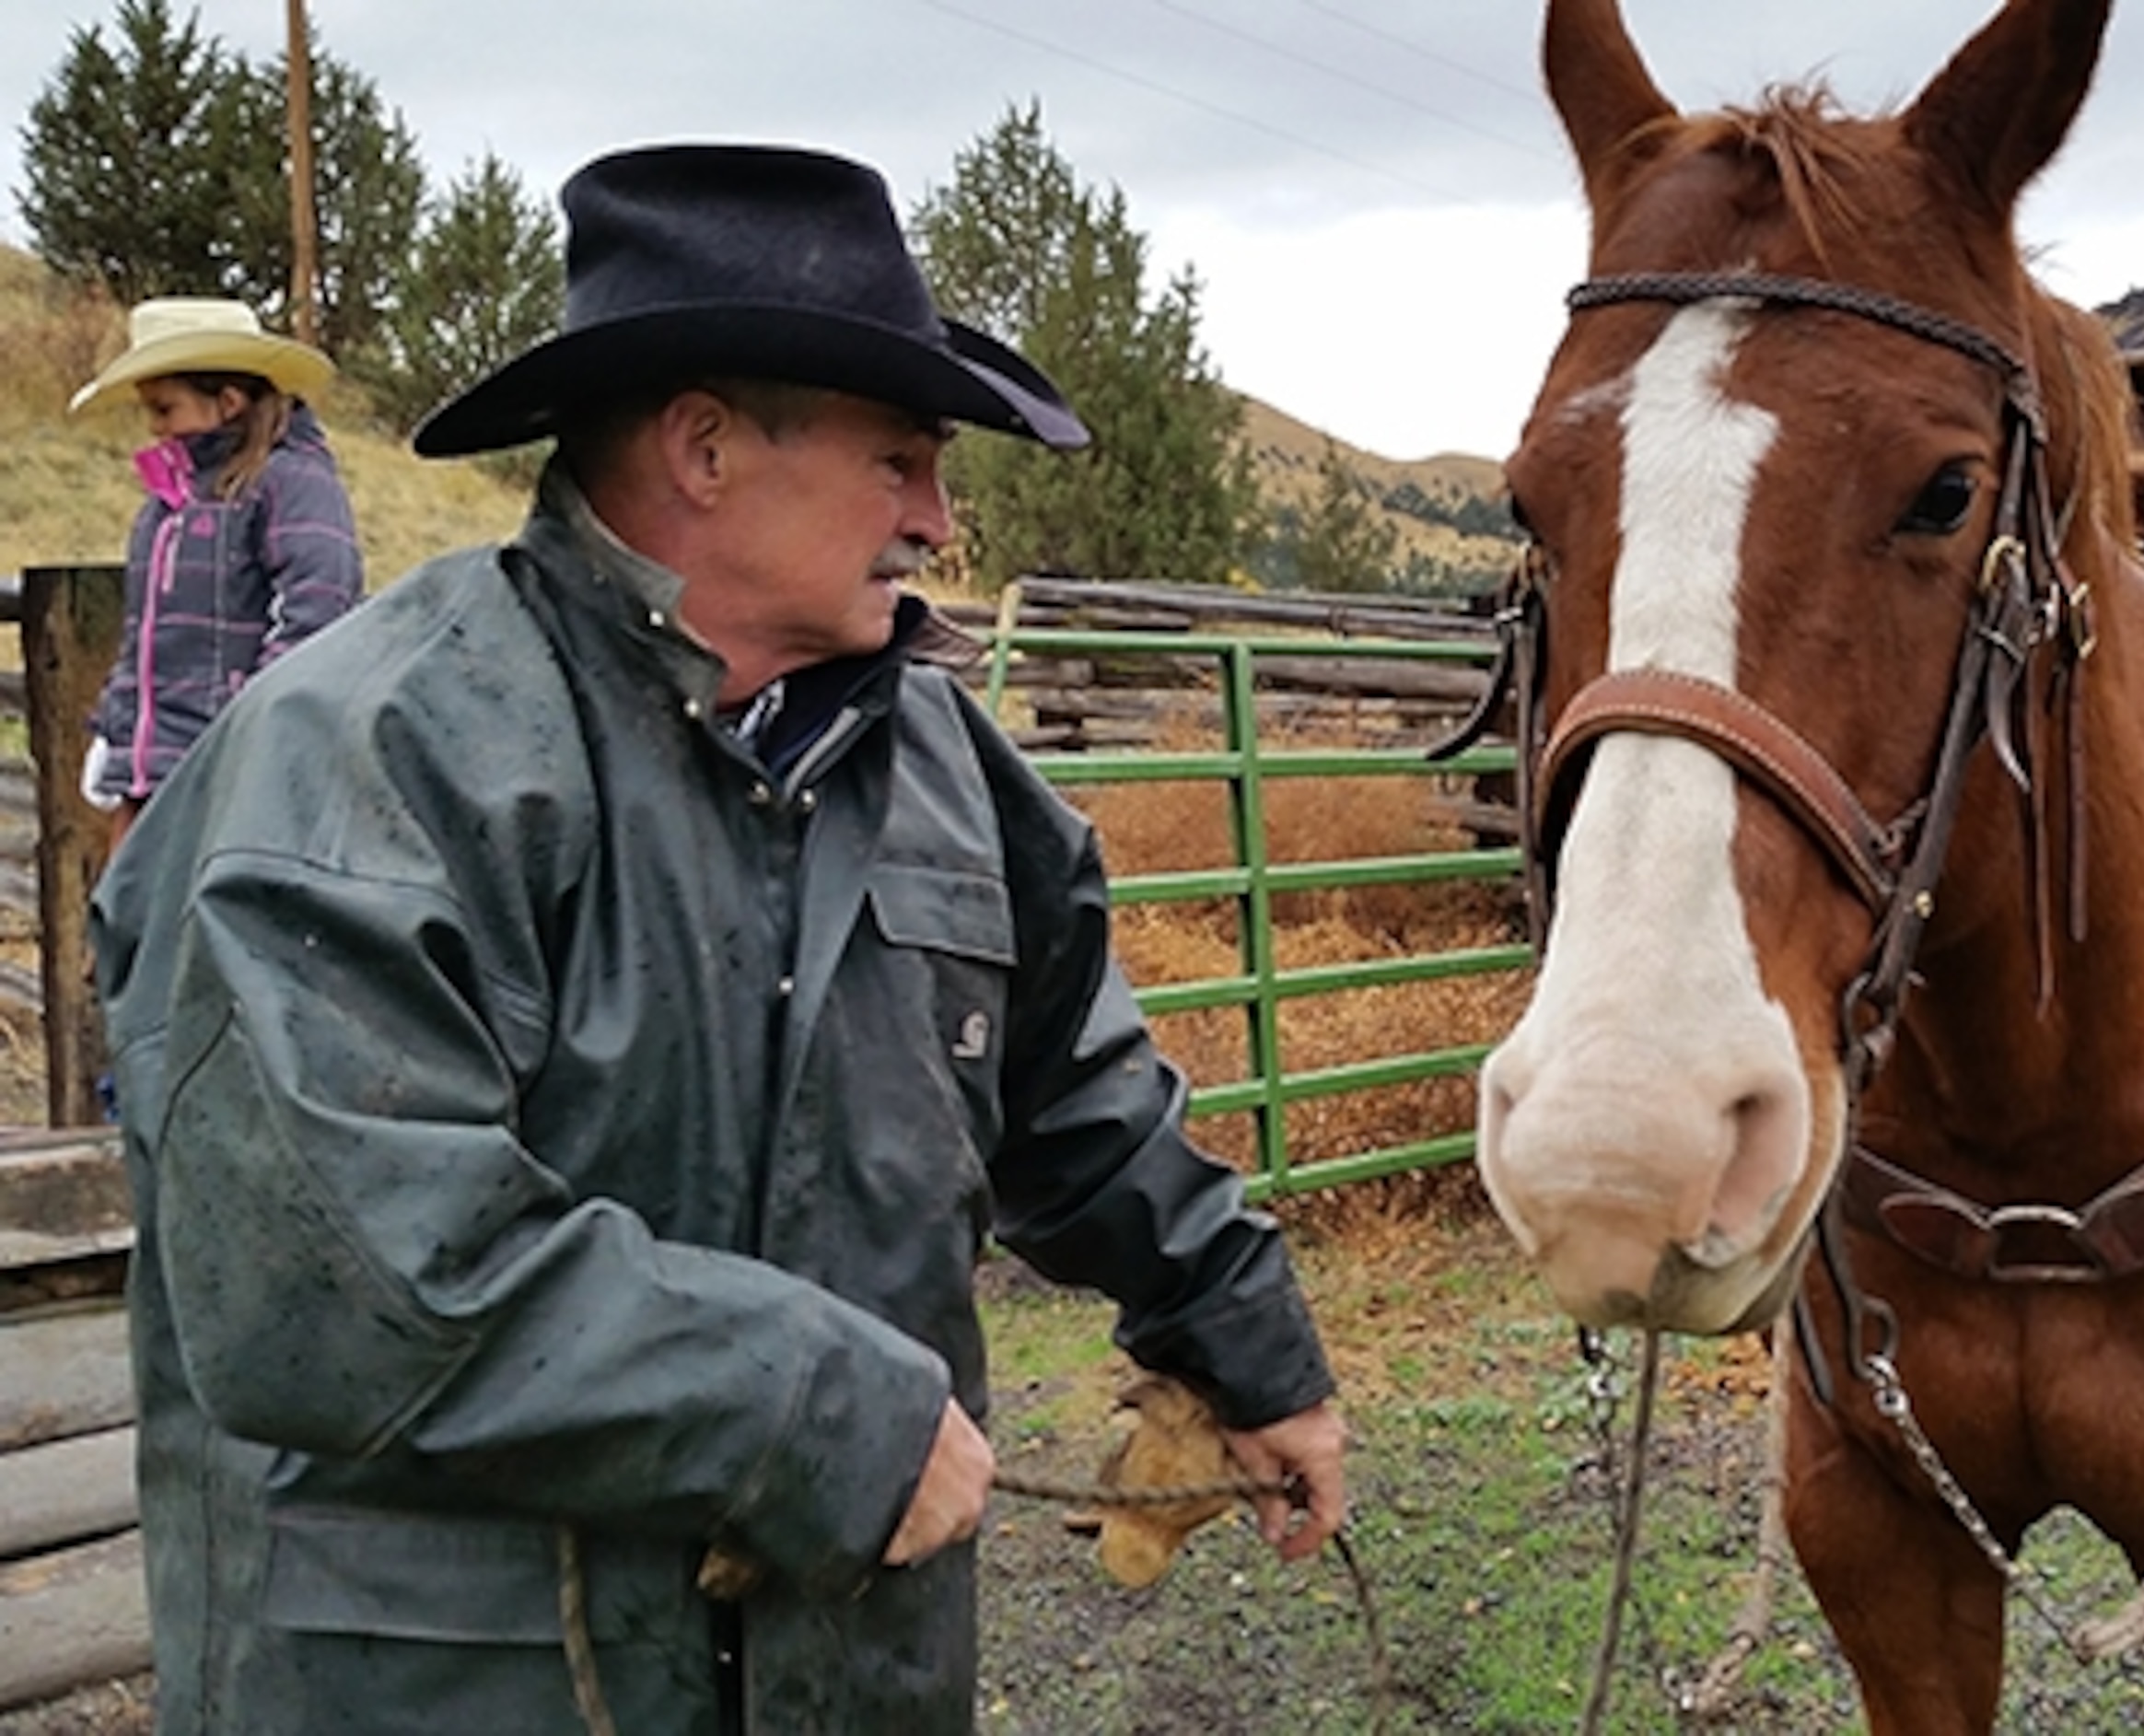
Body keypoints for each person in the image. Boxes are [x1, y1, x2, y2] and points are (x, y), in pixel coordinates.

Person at [92, 143, 1348, 1734]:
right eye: (901, 458)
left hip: (847, 1677)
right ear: (701, 447)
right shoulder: (372, 759)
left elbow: (1078, 1102)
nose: (939, 520)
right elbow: (340, 1278)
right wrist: (819, 1416)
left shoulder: (945, 770)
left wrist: (1249, 1350)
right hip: (479, 1685)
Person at [67, 297, 363, 853]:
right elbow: (146, 637)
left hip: (235, 778)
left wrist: (251, 733)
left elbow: (318, 613)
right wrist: (120, 731)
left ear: (226, 402)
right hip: (154, 771)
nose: (155, 427)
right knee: (129, 930)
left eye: (165, 409)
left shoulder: (291, 484)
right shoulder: (167, 505)